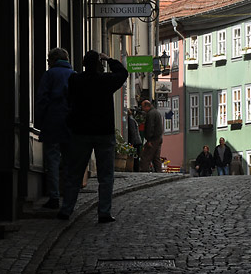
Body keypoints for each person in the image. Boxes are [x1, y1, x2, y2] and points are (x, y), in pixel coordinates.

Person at [57, 51, 128, 223]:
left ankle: (66, 209)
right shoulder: (106, 81)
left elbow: (68, 99)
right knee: (106, 176)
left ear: (83, 64)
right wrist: (109, 59)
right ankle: (104, 212)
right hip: (104, 132)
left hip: (80, 131)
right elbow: (123, 73)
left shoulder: (75, 80)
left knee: (74, 173)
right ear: (99, 64)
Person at [35, 47, 74, 209]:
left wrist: (40, 120)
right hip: (71, 124)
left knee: (52, 159)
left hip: (52, 122)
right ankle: (69, 197)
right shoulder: (74, 75)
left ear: (52, 60)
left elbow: (42, 99)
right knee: (69, 162)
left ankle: (54, 197)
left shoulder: (49, 74)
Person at [139, 99, 164, 172]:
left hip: (153, 139)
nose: (142, 109)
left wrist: (149, 139)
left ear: (146, 106)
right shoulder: (156, 112)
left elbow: (150, 127)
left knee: (145, 157)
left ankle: (143, 172)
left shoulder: (151, 114)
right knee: (156, 158)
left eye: (143, 107)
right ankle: (159, 172)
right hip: (158, 138)